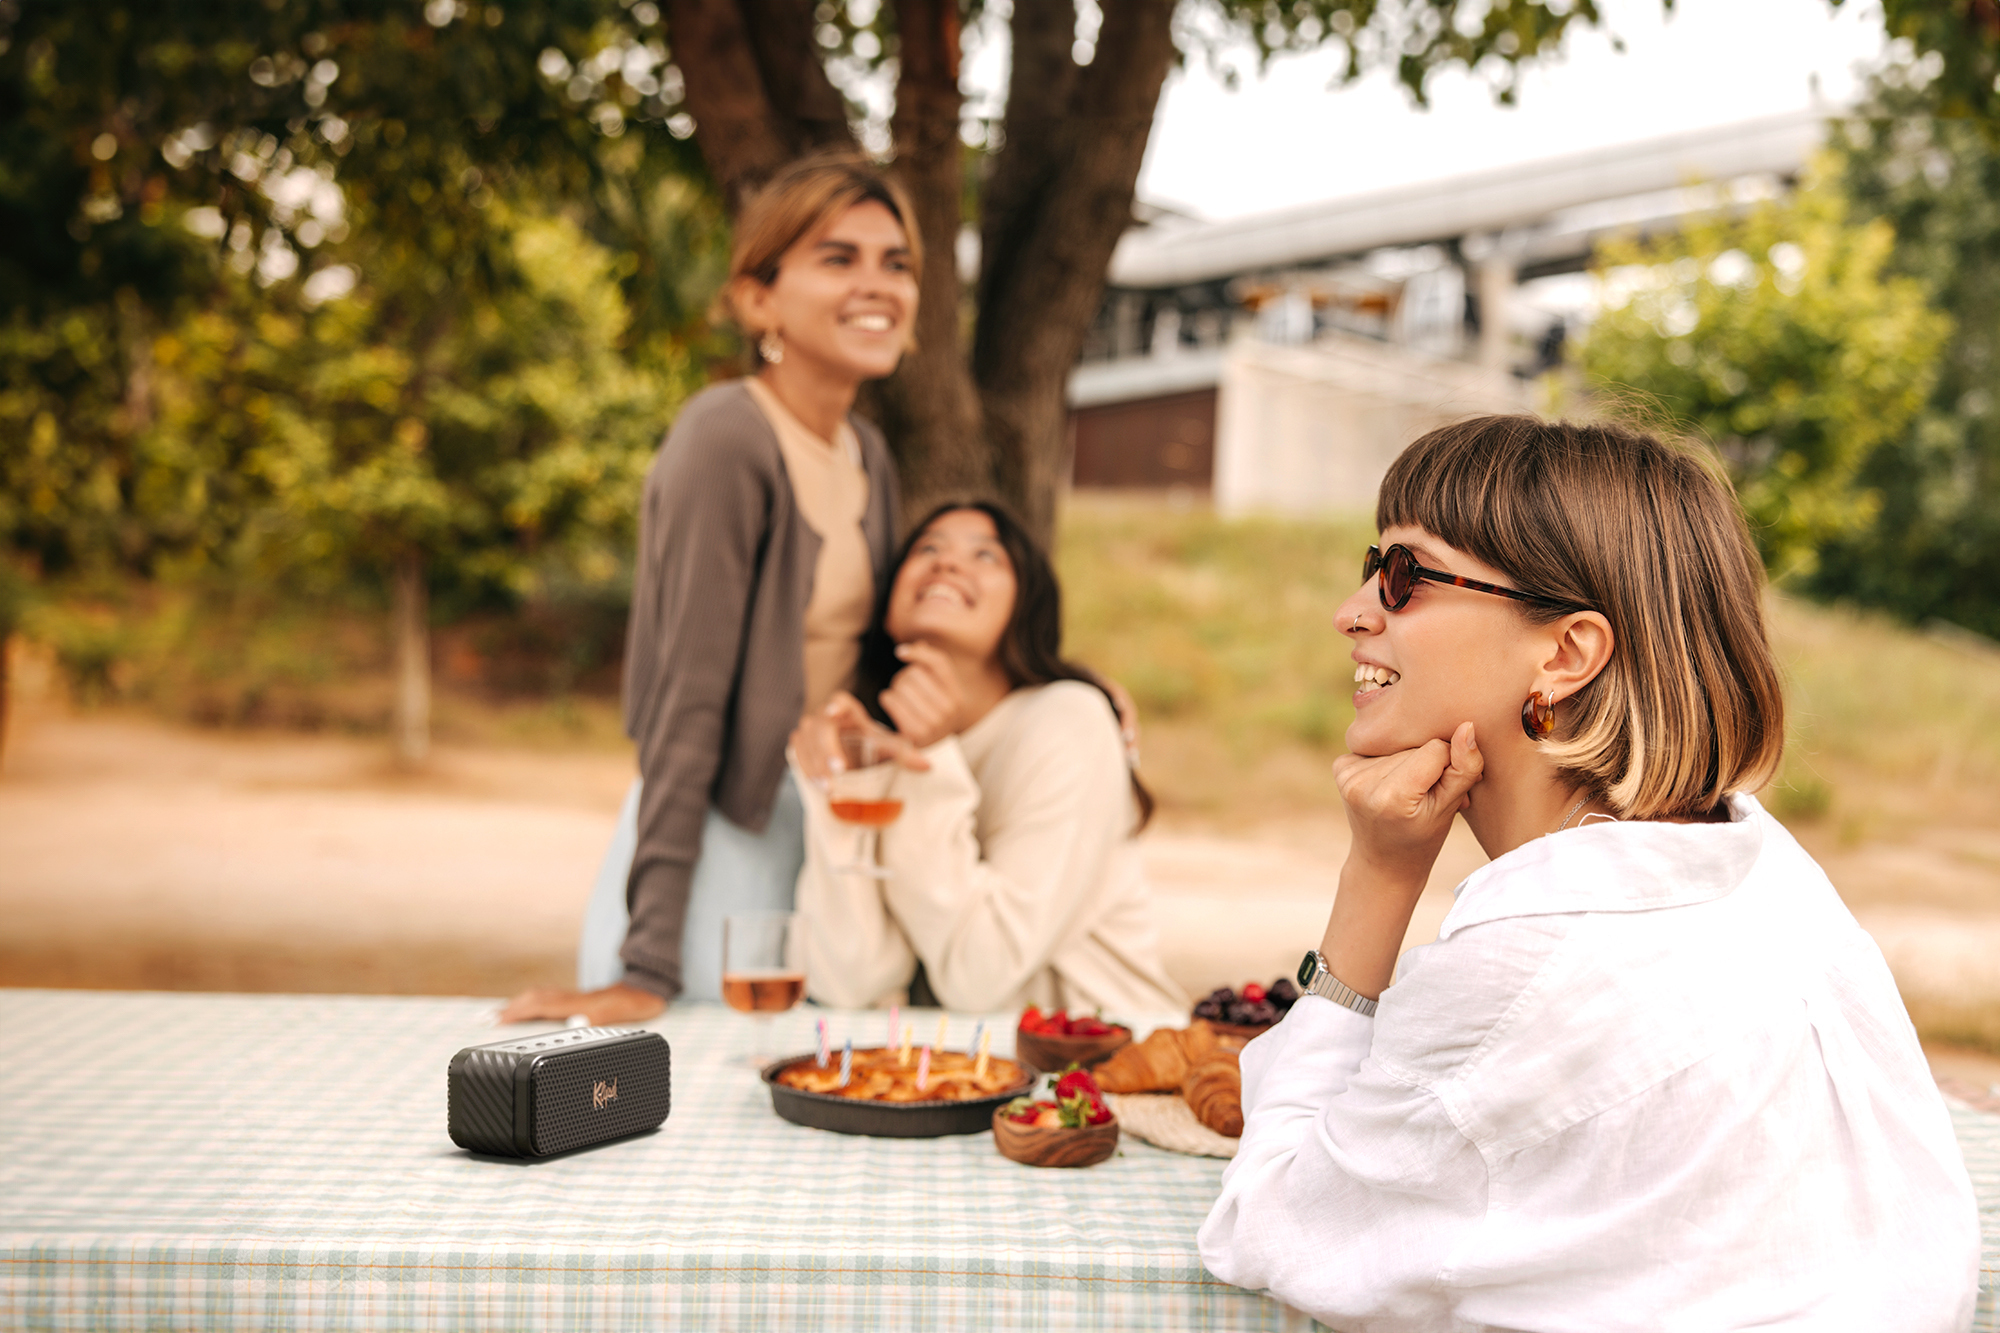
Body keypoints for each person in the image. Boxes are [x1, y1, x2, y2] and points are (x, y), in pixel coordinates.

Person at [1197, 416, 1979, 1329]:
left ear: (1566, 653)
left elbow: (1276, 1225)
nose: (1354, 609)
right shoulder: (1763, 866)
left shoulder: (1532, 966)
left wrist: (1378, 877)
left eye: (1406, 575)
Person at [501, 156, 919, 1024]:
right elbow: (686, 702)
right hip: (717, 845)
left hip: (823, 839)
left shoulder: (866, 454)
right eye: (838, 258)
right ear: (758, 299)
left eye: (897, 262)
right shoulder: (728, 438)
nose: (877, 284)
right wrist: (645, 961)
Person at [787, 501, 1187, 1017]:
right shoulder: (883, 741)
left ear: (1027, 604)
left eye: (986, 555)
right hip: (963, 1072)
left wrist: (929, 765)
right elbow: (852, 980)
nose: (948, 563)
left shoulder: (1070, 721)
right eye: (928, 548)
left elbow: (980, 976)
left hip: (1104, 1066)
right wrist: (844, 786)